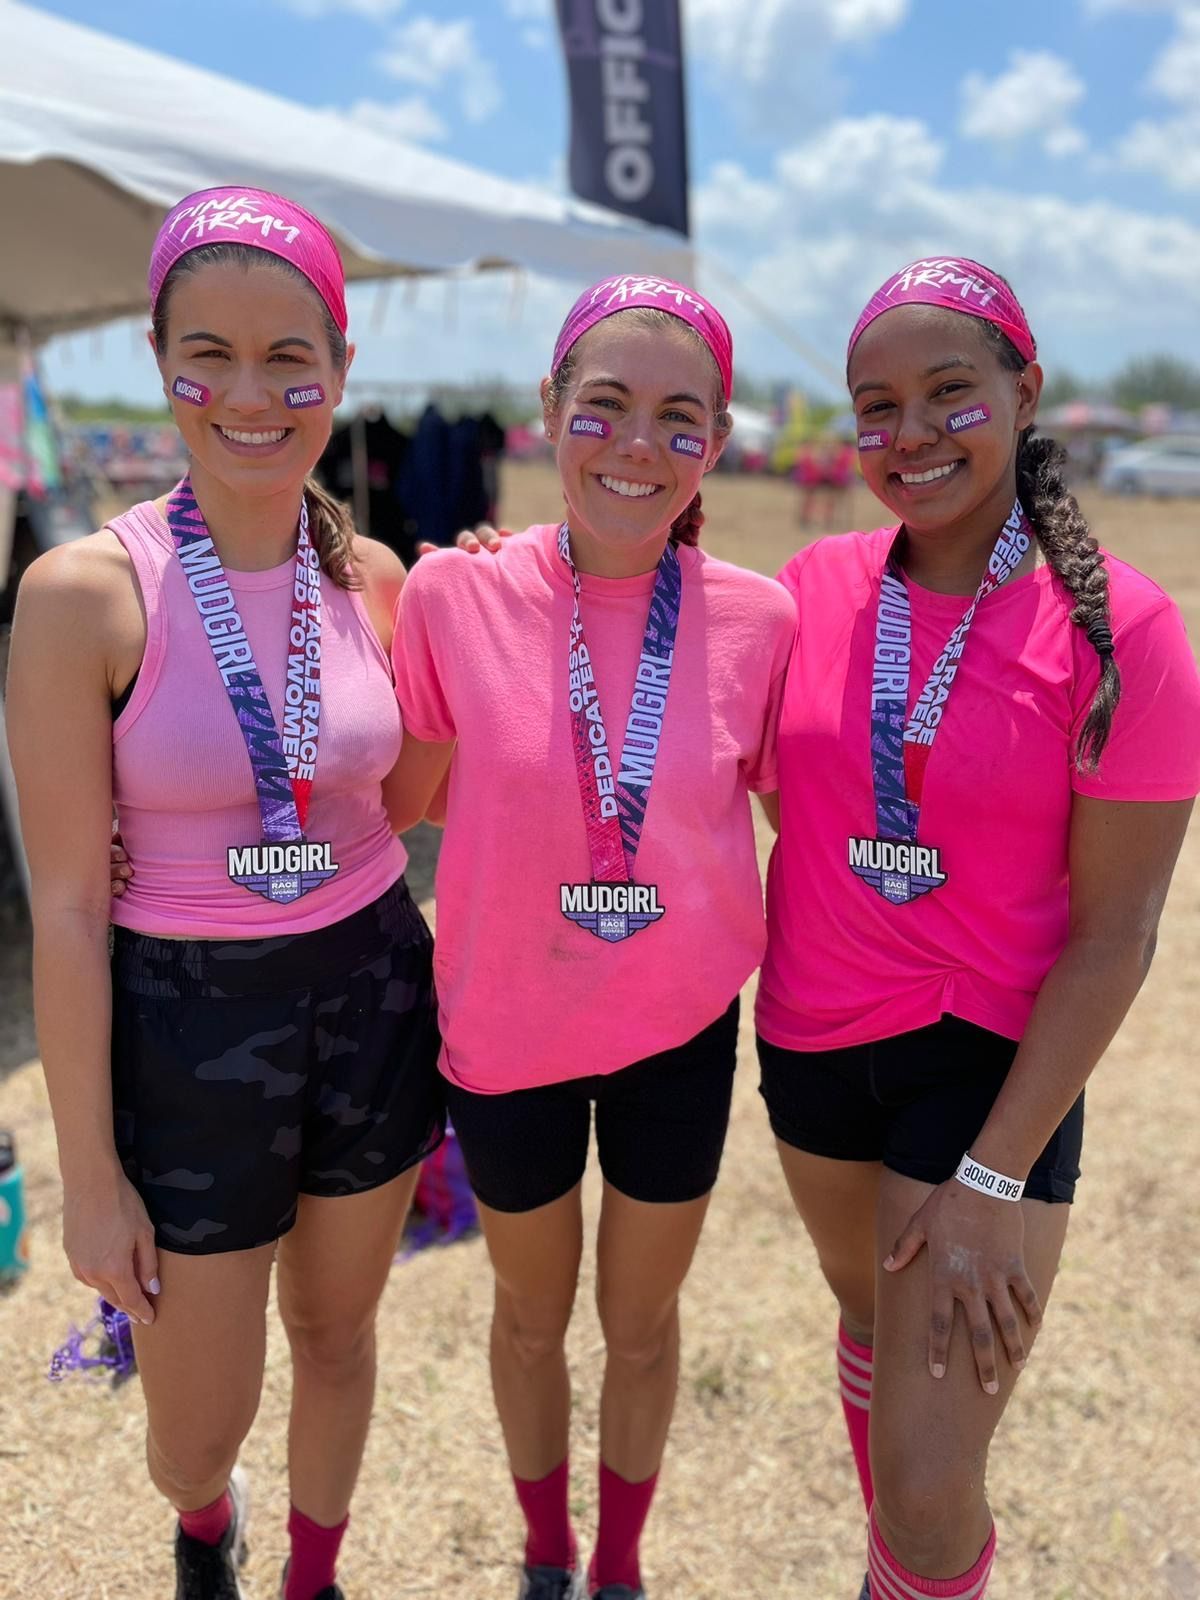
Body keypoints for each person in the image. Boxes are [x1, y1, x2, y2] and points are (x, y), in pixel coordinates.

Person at [7, 187, 444, 1600]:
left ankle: (309, 1578)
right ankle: (208, 1519)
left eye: (288, 360)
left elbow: (403, 808)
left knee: (337, 1335)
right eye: (212, 354)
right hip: (185, 1026)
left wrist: (473, 628)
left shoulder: (375, 576)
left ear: (340, 371)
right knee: (193, 1429)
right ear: (156, 356)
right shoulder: (83, 595)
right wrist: (89, 1179)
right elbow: (67, 911)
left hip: (374, 992)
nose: (252, 396)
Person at [755, 258, 1200, 1599]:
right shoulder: (814, 586)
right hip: (811, 1045)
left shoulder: (1126, 630)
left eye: (950, 393)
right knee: (864, 1324)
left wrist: (997, 1177)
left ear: (1024, 392)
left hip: (988, 1074)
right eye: (876, 406)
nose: (911, 434)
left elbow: (1117, 934)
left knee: (934, 1499)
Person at [386, 275, 796, 1600]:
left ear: (718, 443)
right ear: (546, 414)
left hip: (679, 1030)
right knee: (526, 1316)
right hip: (505, 1029)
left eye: (679, 421)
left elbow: (811, 811)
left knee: (639, 1323)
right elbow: (395, 800)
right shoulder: (455, 596)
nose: (636, 447)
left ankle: (618, 1566)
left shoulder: (761, 619)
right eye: (603, 407)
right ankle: (547, 1554)